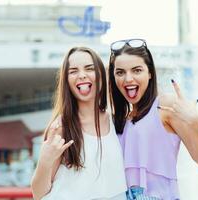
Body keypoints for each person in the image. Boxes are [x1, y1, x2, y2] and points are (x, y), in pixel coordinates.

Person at [108, 39, 198, 200]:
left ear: (150, 73)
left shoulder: (165, 106)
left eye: (136, 70)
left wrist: (195, 121)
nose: (128, 79)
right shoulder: (122, 119)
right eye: (120, 72)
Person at [31, 47, 127, 200]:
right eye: (73, 71)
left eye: (89, 69)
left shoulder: (117, 122)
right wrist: (44, 161)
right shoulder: (61, 127)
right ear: (66, 81)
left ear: (101, 75)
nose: (82, 75)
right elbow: (38, 194)